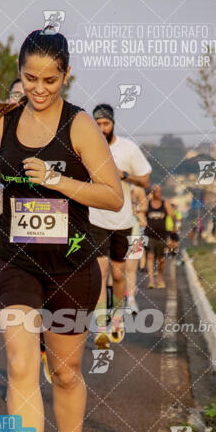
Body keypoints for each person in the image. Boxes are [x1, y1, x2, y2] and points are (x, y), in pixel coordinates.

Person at [0, 30, 123, 432]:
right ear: (20, 73)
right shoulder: (4, 122)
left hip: (72, 261)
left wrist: (58, 181)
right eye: (30, 78)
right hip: (13, 258)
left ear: (66, 76)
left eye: (50, 81)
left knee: (64, 371)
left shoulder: (78, 125)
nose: (39, 89)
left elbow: (113, 196)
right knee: (21, 363)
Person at [89, 104, 151, 345]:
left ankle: (118, 316)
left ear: (113, 123)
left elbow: (145, 180)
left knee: (118, 273)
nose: (102, 128)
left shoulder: (128, 148)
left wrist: (124, 175)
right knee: (100, 272)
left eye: (105, 124)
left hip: (122, 220)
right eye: (97, 124)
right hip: (96, 219)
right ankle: (102, 323)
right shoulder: (87, 148)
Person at [145, 185, 174, 288]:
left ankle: (160, 278)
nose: (159, 193)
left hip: (162, 236)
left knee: (161, 259)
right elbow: (140, 214)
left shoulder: (165, 204)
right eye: (156, 191)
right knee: (150, 256)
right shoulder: (147, 204)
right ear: (152, 192)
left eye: (160, 191)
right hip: (149, 235)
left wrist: (171, 236)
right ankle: (151, 281)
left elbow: (172, 217)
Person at [125, 184, 148, 315]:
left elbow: (144, 207)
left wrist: (136, 209)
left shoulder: (138, 188)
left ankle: (131, 299)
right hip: (114, 228)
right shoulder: (112, 179)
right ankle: (111, 303)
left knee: (131, 267)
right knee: (114, 268)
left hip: (133, 229)